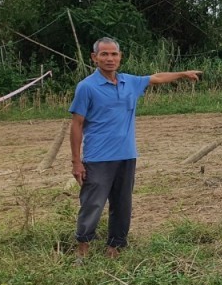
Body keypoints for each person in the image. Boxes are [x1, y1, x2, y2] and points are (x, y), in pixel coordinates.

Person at [70, 37, 202, 259]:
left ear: (120, 57)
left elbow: (157, 78)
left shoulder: (129, 82)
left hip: (127, 155)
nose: (109, 59)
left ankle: (115, 246)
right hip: (98, 158)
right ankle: (83, 247)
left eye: (114, 54)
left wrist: (182, 74)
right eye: (104, 54)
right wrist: (76, 161)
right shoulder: (86, 87)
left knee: (122, 204)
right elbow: (77, 124)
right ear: (94, 58)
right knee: (92, 203)